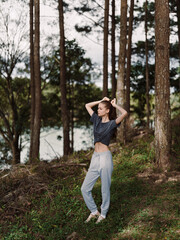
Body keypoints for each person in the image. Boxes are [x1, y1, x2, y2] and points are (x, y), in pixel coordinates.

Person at [81, 97, 128, 224]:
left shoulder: (112, 124)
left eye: (101, 108)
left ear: (107, 111)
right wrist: (100, 100)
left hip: (105, 158)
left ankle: (103, 214)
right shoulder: (96, 119)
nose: (98, 110)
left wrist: (114, 105)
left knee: (105, 188)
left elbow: (124, 113)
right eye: (98, 108)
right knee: (85, 188)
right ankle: (94, 211)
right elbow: (87, 105)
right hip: (95, 157)